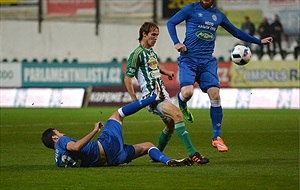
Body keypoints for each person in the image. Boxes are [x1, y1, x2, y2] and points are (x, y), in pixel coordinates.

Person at [166, 0, 273, 152]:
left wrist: (258, 41)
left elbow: (236, 31)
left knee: (215, 96)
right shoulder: (190, 9)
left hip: (207, 62)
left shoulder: (218, 15)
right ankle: (182, 102)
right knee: (187, 93)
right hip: (188, 59)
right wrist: (176, 42)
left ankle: (216, 137)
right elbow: (171, 23)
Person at [41, 84, 194, 167]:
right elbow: (75, 147)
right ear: (54, 137)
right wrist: (94, 130)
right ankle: (154, 97)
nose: (62, 134)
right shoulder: (61, 142)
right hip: (106, 145)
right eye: (59, 132)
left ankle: (167, 161)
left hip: (113, 160)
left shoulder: (58, 162)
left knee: (148, 146)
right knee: (117, 115)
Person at [124, 22, 209, 164]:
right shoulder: (137, 54)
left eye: (157, 35)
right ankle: (194, 153)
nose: (156, 38)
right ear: (144, 34)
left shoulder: (151, 52)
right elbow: (127, 78)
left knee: (170, 126)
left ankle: (155, 155)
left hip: (162, 94)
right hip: (152, 97)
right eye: (153, 35)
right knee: (177, 114)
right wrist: (134, 98)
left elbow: (155, 66)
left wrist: (166, 72)